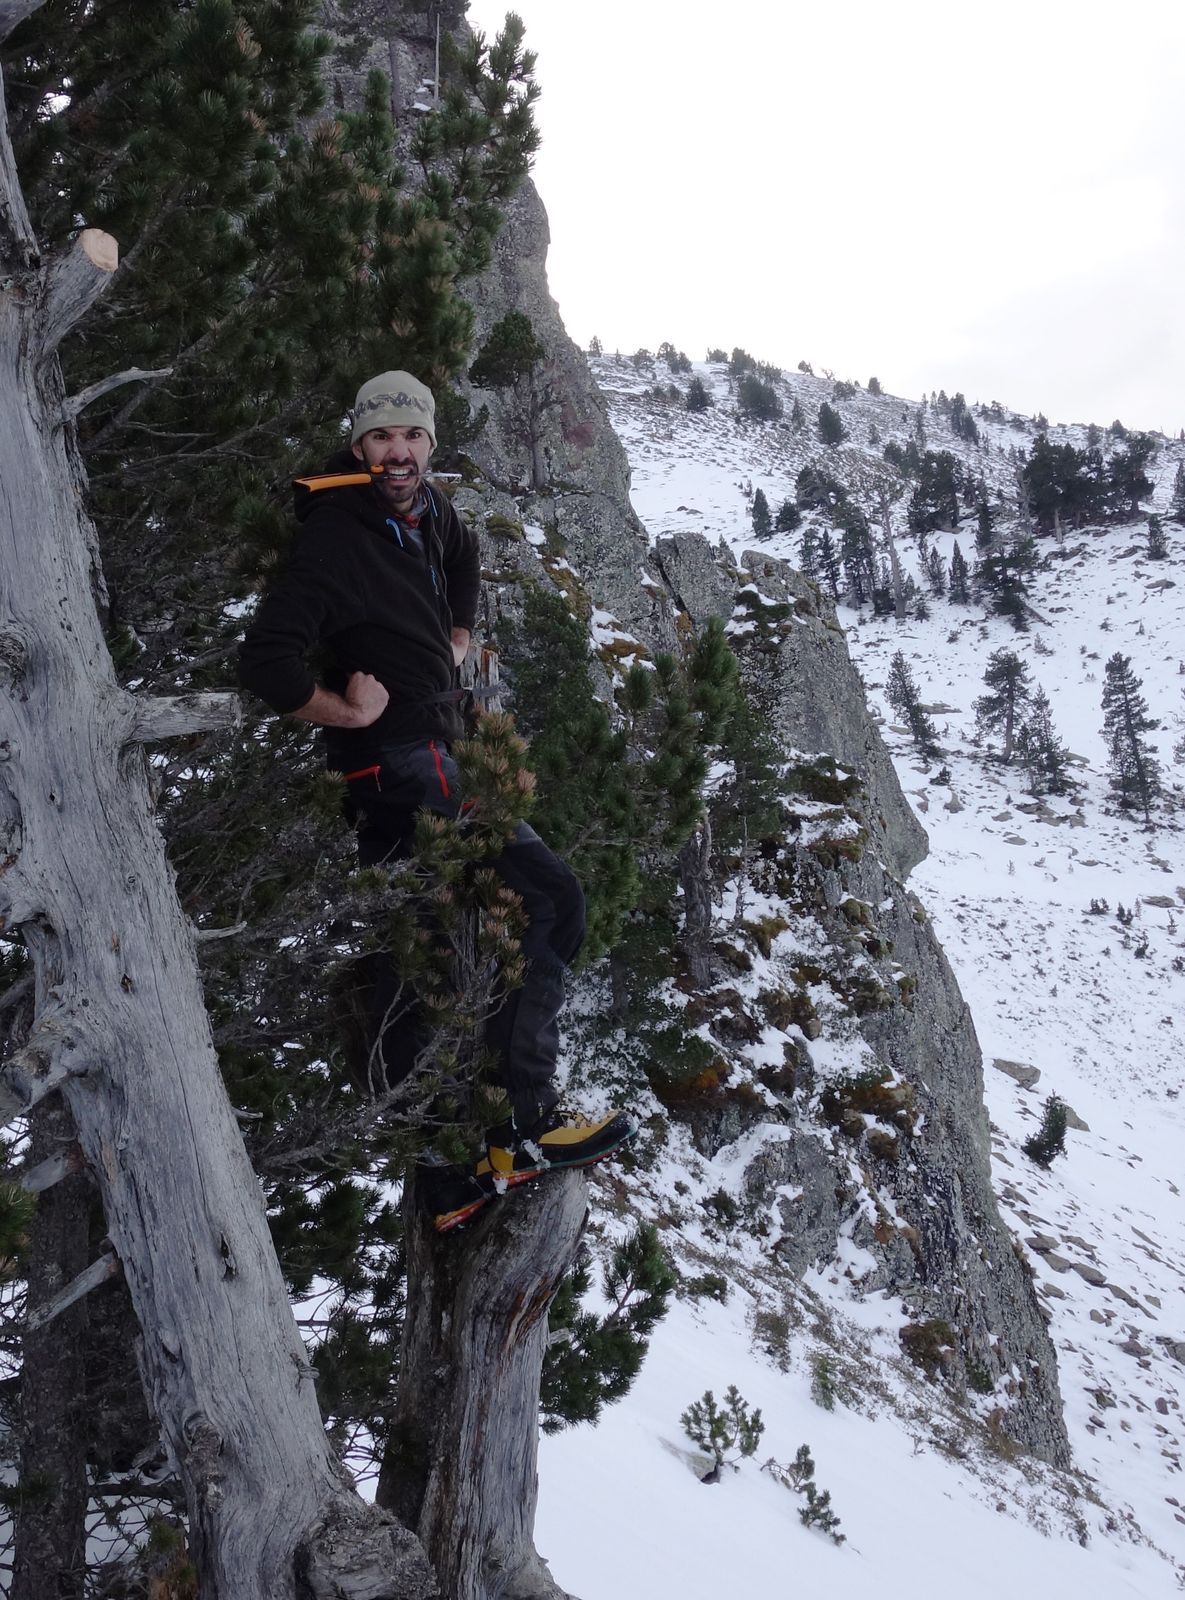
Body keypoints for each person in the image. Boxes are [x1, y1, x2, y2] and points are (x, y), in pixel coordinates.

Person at [239, 370, 634, 1230]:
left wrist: (457, 638)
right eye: (382, 438)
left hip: (428, 752)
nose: (398, 452)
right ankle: (524, 1124)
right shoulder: (336, 537)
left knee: (416, 957)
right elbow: (265, 662)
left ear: (429, 443)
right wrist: (341, 708)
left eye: (412, 437)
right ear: (358, 445)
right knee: (548, 897)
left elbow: (460, 555)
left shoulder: (428, 514)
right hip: (399, 759)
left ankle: (448, 1175)